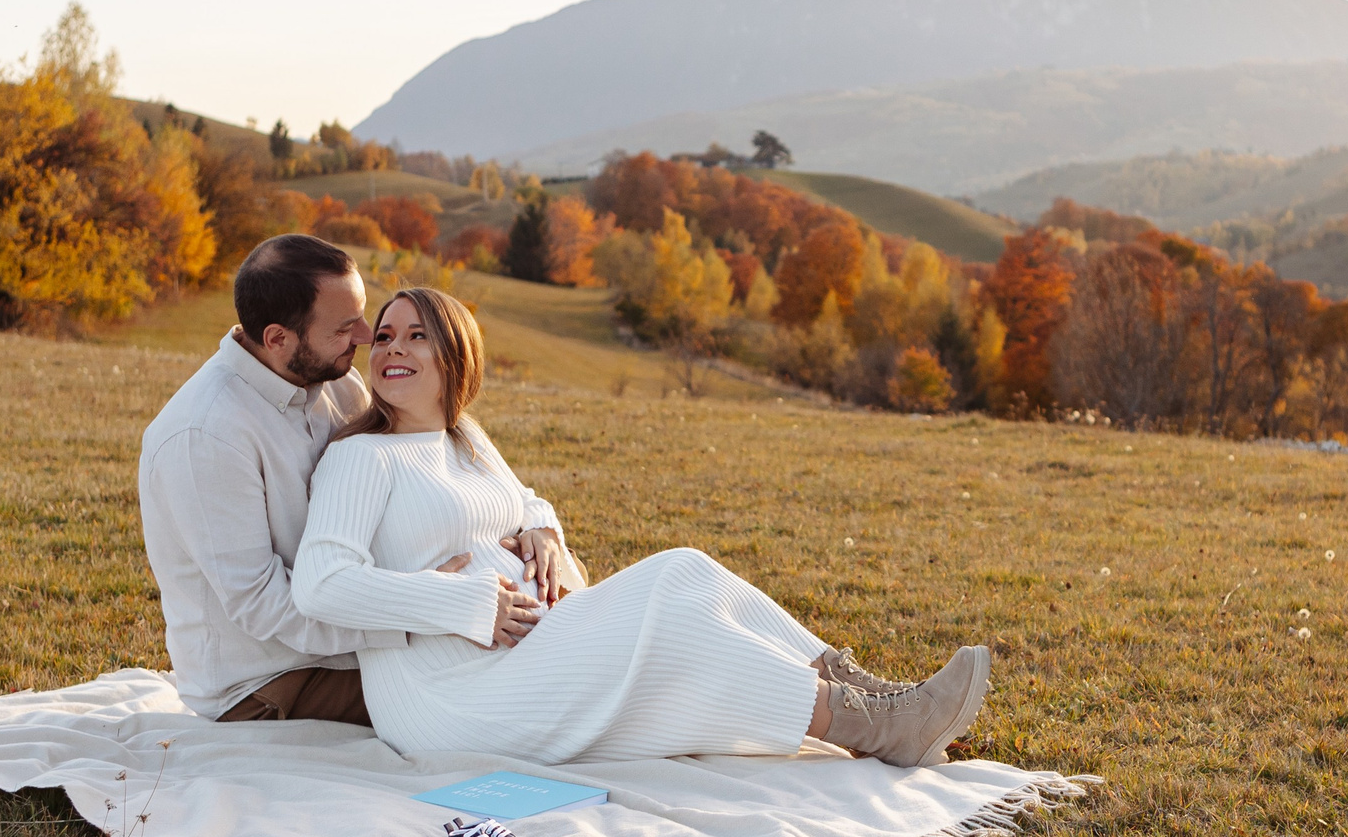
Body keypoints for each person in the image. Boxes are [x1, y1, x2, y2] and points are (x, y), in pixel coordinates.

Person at [291, 287, 990, 766]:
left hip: (522, 652)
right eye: (383, 336)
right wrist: (466, 601)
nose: (392, 348)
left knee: (684, 568)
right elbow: (321, 584)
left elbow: (525, 500)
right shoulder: (361, 458)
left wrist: (543, 532)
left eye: (418, 334)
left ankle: (874, 695)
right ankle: (875, 728)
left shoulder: (462, 436)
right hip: (446, 692)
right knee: (676, 617)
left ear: (454, 357)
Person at [139, 235, 506, 724]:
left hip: (359, 638)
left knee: (522, 651)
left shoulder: (334, 380)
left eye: (360, 315)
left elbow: (436, 458)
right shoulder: (204, 436)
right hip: (272, 682)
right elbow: (264, 607)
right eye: (342, 327)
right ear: (277, 339)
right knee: (486, 686)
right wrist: (421, 613)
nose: (362, 335)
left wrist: (535, 525)